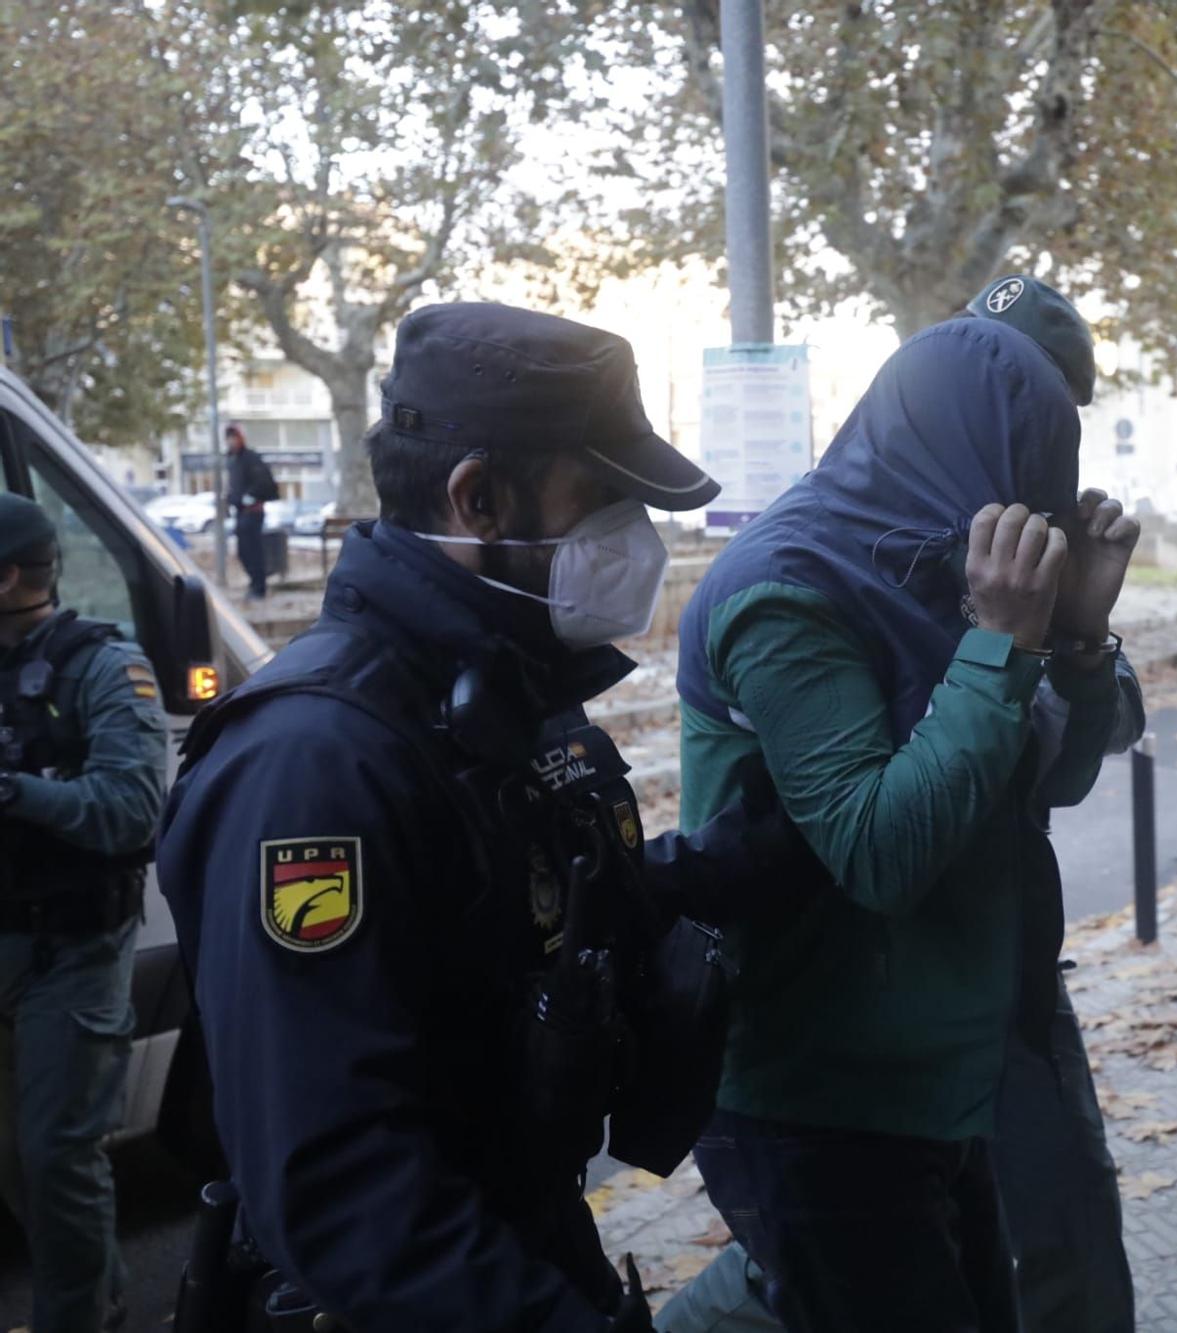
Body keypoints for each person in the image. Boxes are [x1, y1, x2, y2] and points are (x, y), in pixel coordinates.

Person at [156, 303, 822, 1333]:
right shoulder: (313, 765)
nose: (635, 540)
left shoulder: (495, 698)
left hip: (524, 1247)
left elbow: (533, 919)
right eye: (602, 497)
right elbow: (342, 1192)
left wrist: (743, 861)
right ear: (479, 499)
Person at [671, 274, 1137, 1331]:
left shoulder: (941, 550)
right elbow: (878, 853)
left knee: (1036, 1266)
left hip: (961, 1029)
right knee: (833, 1277)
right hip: (831, 1077)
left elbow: (1052, 778)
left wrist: (1078, 637)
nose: (1031, 501)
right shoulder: (788, 586)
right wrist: (1005, 641)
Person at [0, 492, 169, 1333]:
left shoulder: (103, 664)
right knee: (17, 1162)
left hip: (73, 948)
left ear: (8, 579)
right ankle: (92, 1304)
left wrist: (17, 792)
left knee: (59, 1153)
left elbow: (133, 808)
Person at [224, 423, 278, 599]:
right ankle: (254, 583)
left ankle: (259, 587)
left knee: (253, 550)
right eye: (229, 437)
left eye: (235, 437)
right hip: (240, 512)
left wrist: (250, 496)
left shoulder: (252, 459)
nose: (232, 441)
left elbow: (264, 483)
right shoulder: (232, 460)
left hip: (253, 512)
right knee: (243, 551)